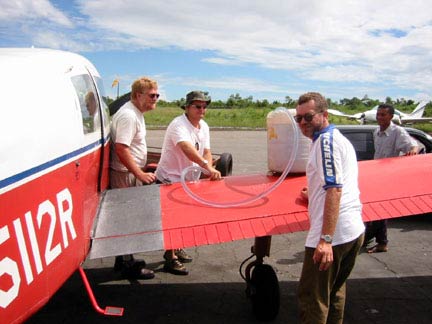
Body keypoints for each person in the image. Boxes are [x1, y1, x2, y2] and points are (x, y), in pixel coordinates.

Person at [295, 92, 365, 324]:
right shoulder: (335, 139)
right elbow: (332, 184)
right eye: (298, 119)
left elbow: (334, 189)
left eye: (308, 117)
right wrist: (312, 194)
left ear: (324, 114)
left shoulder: (325, 143)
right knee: (334, 292)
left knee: (312, 300)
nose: (303, 123)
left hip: (334, 235)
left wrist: (325, 240)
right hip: (352, 230)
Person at [155, 90, 221, 275]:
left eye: (204, 106)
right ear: (187, 107)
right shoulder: (178, 124)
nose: (202, 109)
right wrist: (206, 166)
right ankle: (170, 257)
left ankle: (177, 247)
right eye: (197, 106)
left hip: (188, 179)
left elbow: (206, 150)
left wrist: (208, 169)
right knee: (172, 220)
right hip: (170, 178)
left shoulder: (204, 126)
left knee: (184, 217)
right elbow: (187, 148)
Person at [110, 77, 159, 279]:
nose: (155, 99)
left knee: (126, 218)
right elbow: (121, 148)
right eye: (152, 95)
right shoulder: (129, 116)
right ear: (138, 95)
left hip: (128, 172)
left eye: (157, 95)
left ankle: (122, 259)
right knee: (127, 219)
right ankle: (128, 264)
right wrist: (138, 173)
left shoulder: (135, 112)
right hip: (125, 174)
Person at [364, 103, 418, 253]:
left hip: (388, 178)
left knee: (380, 210)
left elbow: (413, 146)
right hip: (376, 175)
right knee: (374, 209)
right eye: (378, 114)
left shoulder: (397, 131)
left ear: (391, 117)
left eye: (383, 115)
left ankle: (381, 242)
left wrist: (412, 153)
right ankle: (372, 238)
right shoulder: (376, 132)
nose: (379, 117)